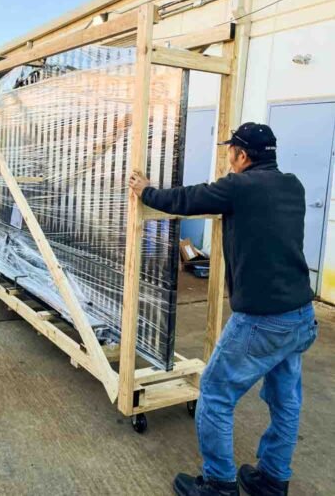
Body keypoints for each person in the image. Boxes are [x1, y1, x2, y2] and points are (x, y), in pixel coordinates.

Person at [129, 122, 316, 496]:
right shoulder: (293, 185)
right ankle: (273, 479)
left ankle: (219, 484)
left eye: (230, 151)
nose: (227, 157)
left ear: (242, 155)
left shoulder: (239, 187)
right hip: (300, 315)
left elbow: (186, 199)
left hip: (262, 320)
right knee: (286, 399)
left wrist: (145, 190)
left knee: (214, 392)